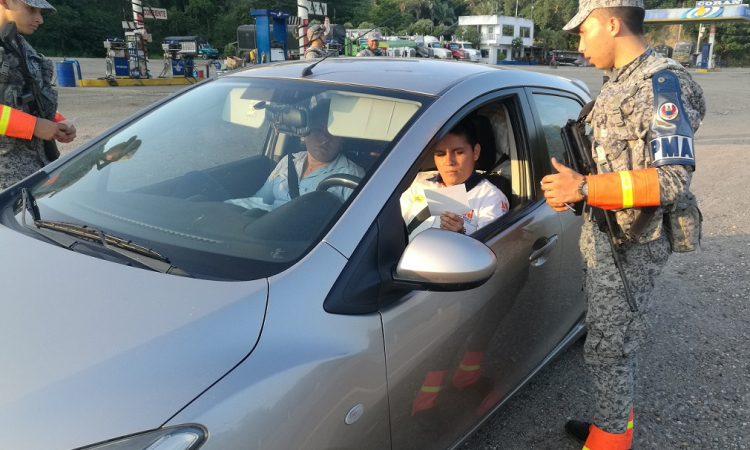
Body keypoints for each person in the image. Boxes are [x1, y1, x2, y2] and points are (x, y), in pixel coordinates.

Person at [540, 0, 706, 448]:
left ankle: (610, 442)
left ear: (612, 23)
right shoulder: (618, 82)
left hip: (633, 242)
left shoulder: (663, 84)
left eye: (583, 30)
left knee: (610, 350)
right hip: (606, 233)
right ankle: (609, 426)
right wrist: (578, 189)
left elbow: (671, 179)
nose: (578, 41)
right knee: (605, 343)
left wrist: (585, 190)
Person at [227, 104, 364, 212]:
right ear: (305, 134)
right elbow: (259, 200)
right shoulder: (289, 161)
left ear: (342, 141)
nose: (324, 138)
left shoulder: (350, 175)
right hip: (264, 227)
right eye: (318, 129)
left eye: (333, 133)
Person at [0, 0, 76, 190]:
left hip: (34, 173)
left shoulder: (20, 45)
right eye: (31, 9)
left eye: (40, 11)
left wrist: (56, 123)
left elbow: (24, 97)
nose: (39, 19)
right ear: (5, 2)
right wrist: (33, 126)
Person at [401, 119, 509, 240]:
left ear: (476, 152)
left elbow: (489, 251)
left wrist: (460, 235)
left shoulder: (490, 198)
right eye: (441, 154)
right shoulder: (420, 182)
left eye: (458, 152)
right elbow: (394, 227)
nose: (449, 162)